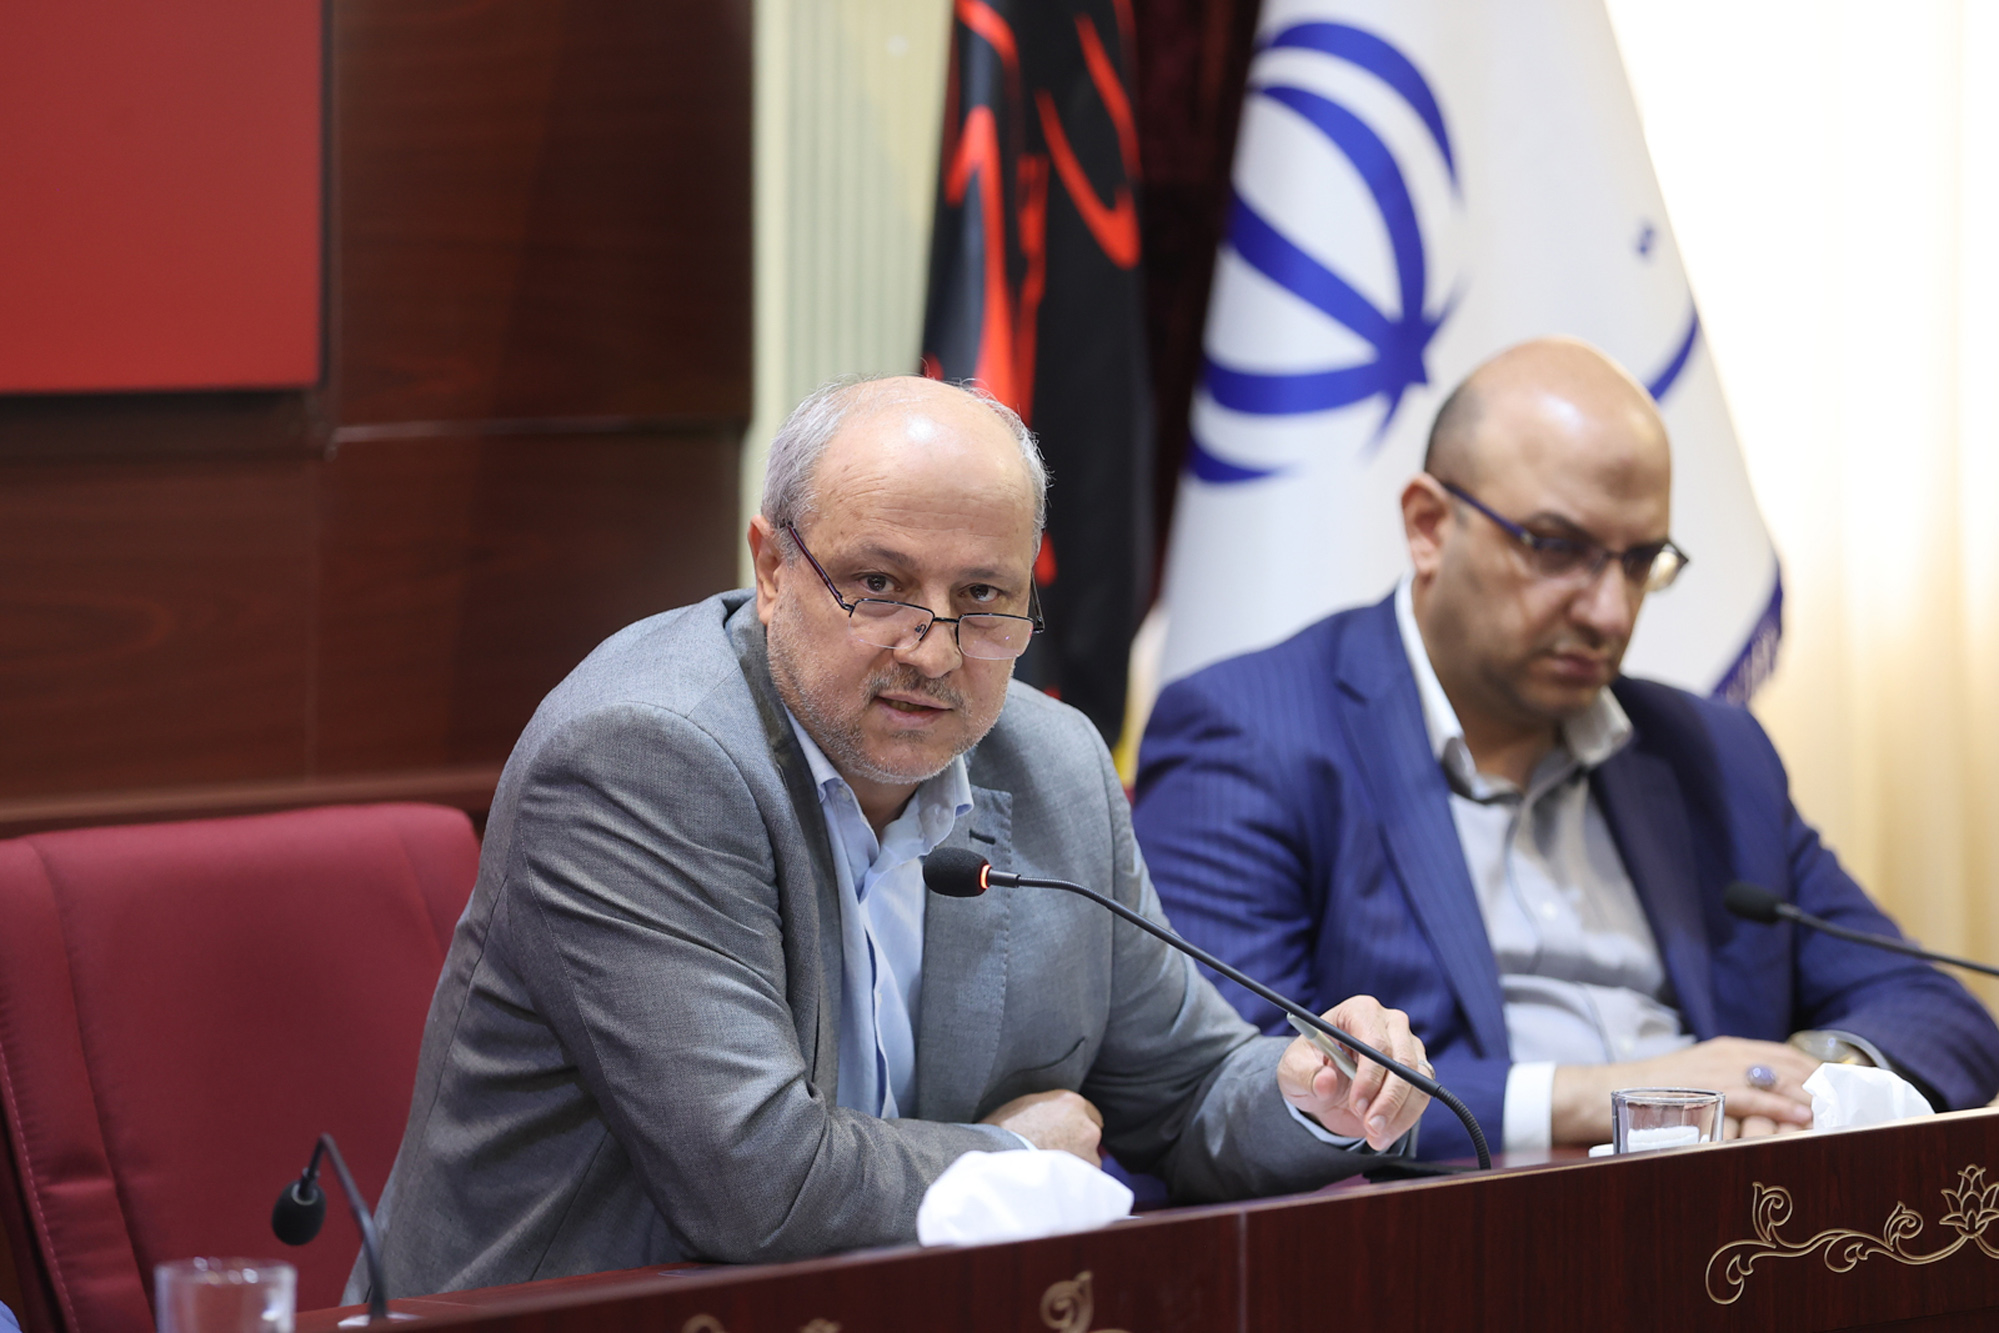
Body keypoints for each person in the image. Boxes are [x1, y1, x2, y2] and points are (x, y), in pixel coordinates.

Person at [353, 375, 1430, 1300]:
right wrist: (1013, 1156)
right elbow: (755, 1182)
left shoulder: (1051, 764)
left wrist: (1312, 1093)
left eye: (983, 596)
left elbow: (1185, 1092)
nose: (933, 649)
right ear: (771, 568)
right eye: (879, 586)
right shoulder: (641, 758)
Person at [1134, 337, 1999, 1161]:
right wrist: (1618, 1096)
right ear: (1428, 525)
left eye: (1639, 561)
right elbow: (1222, 1085)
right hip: (1461, 1235)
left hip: (1738, 1227)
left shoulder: (1713, 753)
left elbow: (1937, 1014)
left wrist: (1795, 1086)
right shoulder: (1251, 731)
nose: (1609, 612)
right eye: (1557, 549)